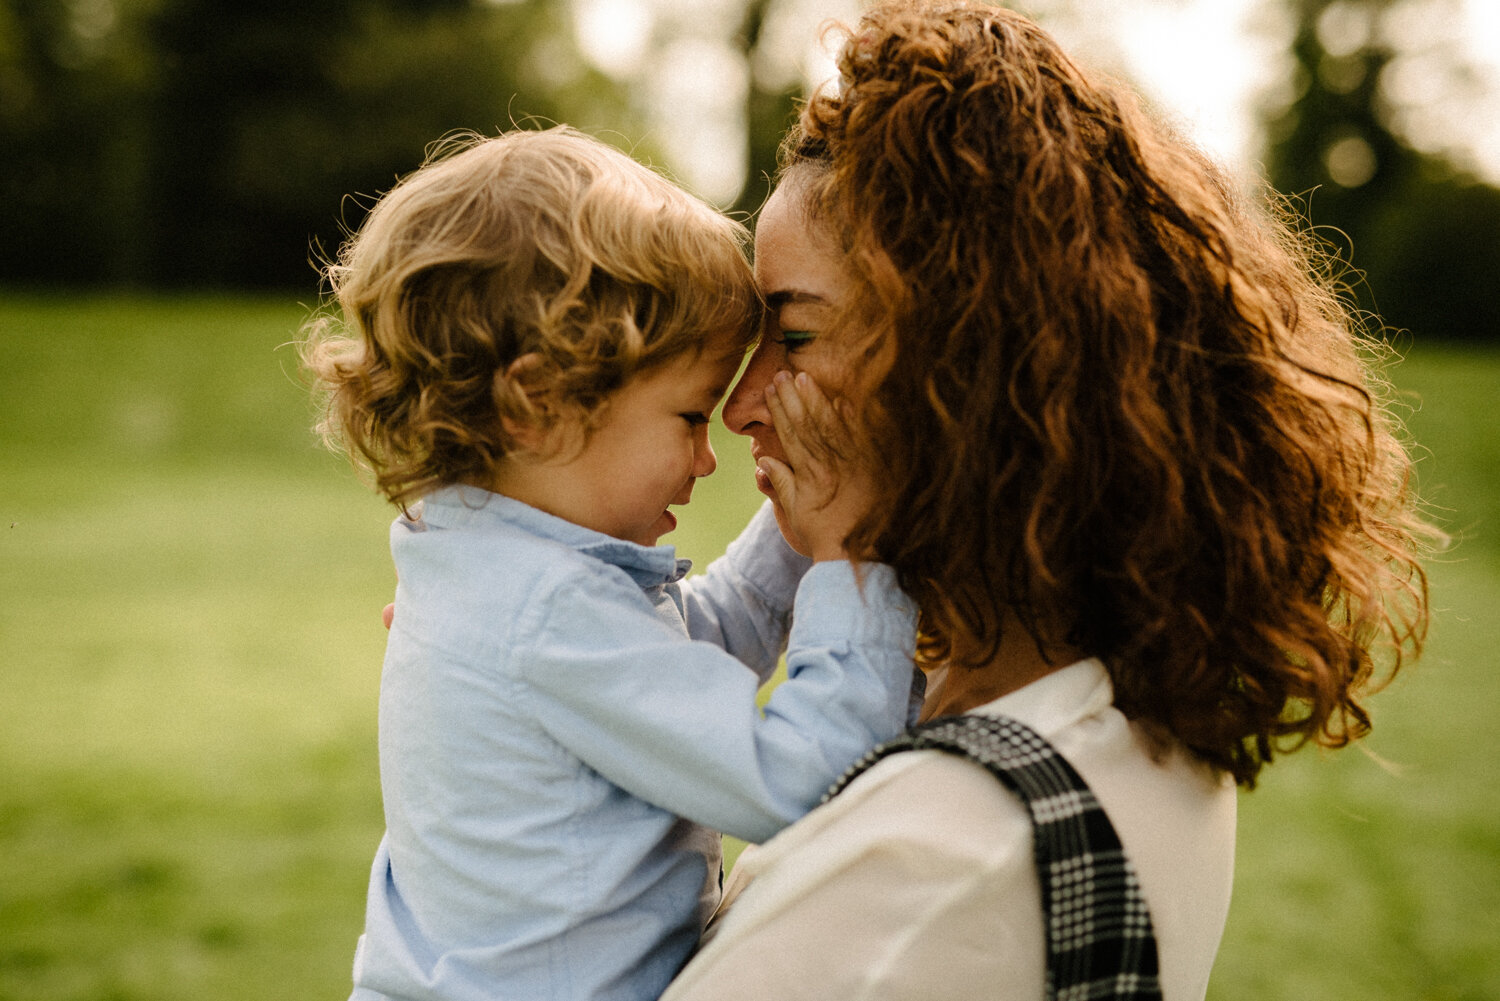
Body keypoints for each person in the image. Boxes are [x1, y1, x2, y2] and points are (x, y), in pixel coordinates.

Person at [661, 3, 1436, 999]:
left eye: (796, 336)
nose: (741, 407)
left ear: (972, 366)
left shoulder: (939, 852)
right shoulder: (1119, 706)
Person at [300, 125, 920, 1001]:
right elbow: (803, 778)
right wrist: (851, 556)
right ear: (538, 405)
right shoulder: (542, 613)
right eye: (689, 417)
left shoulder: (487, 565)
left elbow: (707, 637)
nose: (709, 460)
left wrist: (804, 519)